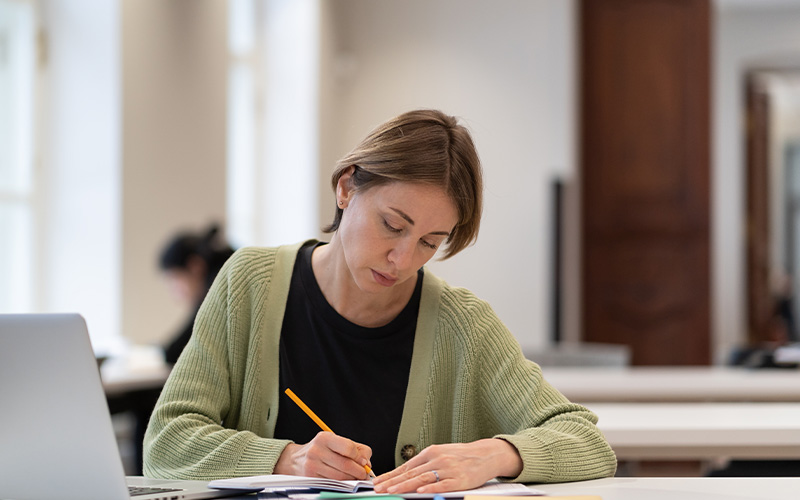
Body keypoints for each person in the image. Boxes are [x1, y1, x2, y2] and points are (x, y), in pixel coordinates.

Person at [143, 109, 617, 492]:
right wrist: (288, 457)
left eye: (431, 242)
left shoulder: (462, 325)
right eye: (392, 225)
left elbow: (587, 442)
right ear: (347, 187)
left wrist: (494, 454)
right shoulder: (250, 283)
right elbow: (166, 442)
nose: (402, 258)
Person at [158, 224, 235, 364]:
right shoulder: (224, 274)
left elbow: (175, 352)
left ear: (195, 267)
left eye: (175, 280)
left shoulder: (217, 286)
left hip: (285, 386)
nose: (174, 291)